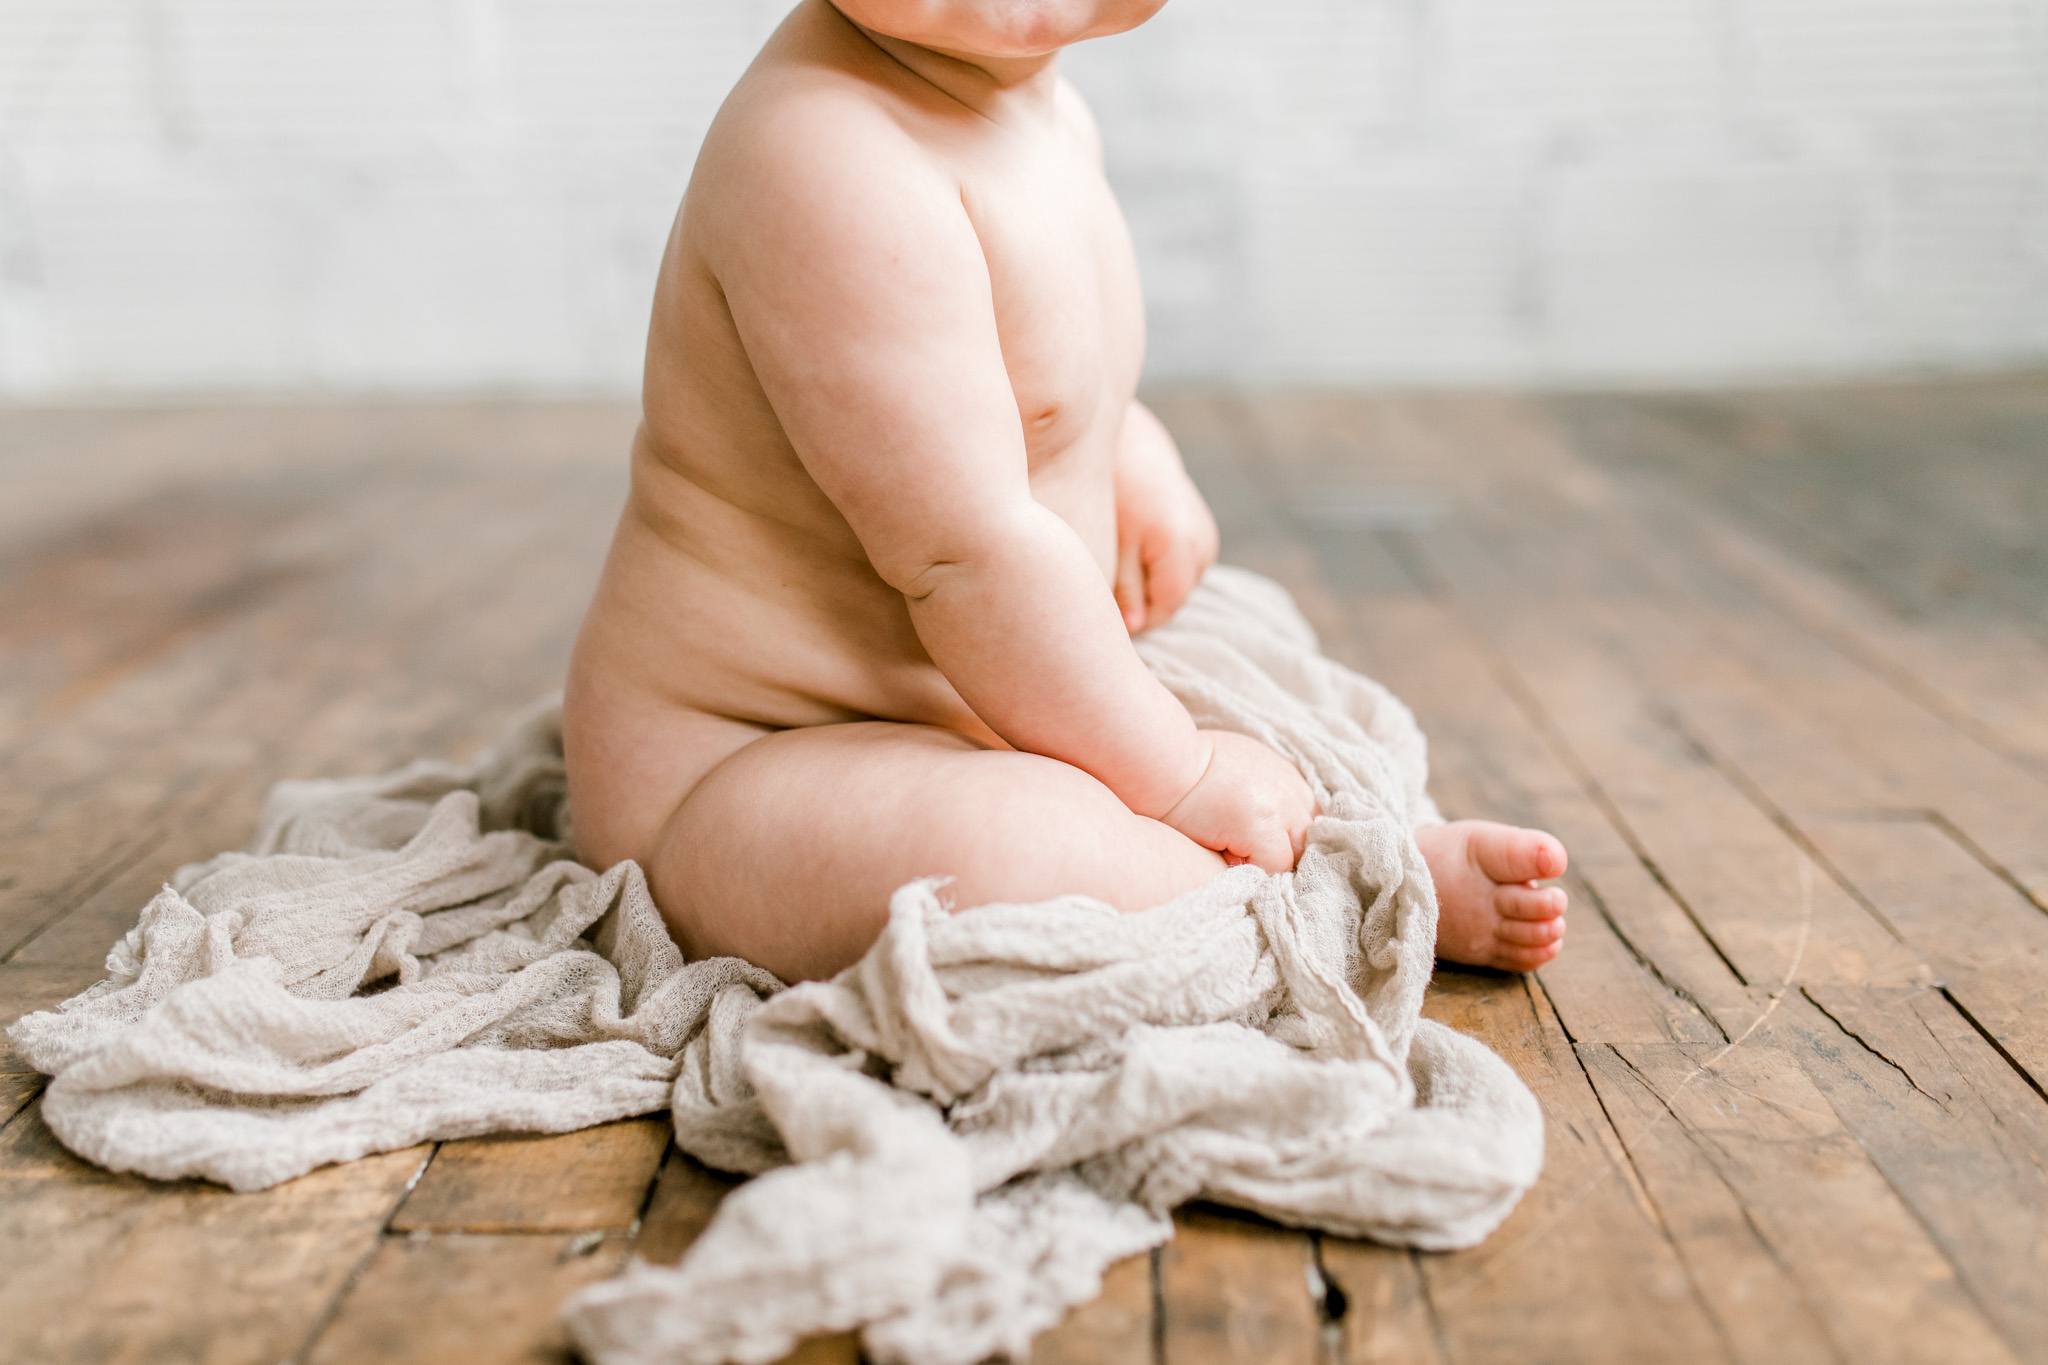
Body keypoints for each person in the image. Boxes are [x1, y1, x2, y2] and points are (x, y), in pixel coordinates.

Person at [561, 0, 1568, 984]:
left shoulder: (1044, 112)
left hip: (990, 688)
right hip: (755, 761)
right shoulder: (825, 159)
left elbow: (1029, 379)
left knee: (1254, 652)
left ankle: (1320, 838)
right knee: (1017, 858)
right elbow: (962, 549)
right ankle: (1331, 900)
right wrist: (1178, 775)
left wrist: (1128, 447)